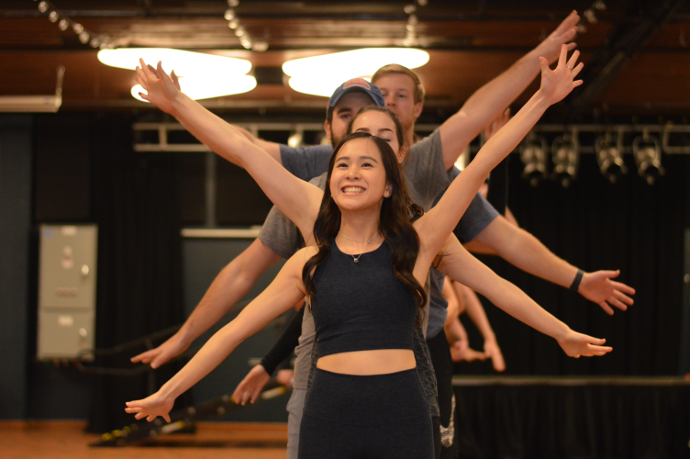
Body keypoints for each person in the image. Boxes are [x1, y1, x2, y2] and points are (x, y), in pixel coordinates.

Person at [126, 46, 611, 459]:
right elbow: (245, 152)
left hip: (401, 410)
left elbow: (487, 161)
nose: (351, 172)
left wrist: (544, 99)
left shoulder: (420, 241)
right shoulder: (308, 254)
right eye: (342, 164)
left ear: (389, 182)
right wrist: (178, 103)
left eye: (366, 163)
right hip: (328, 410)